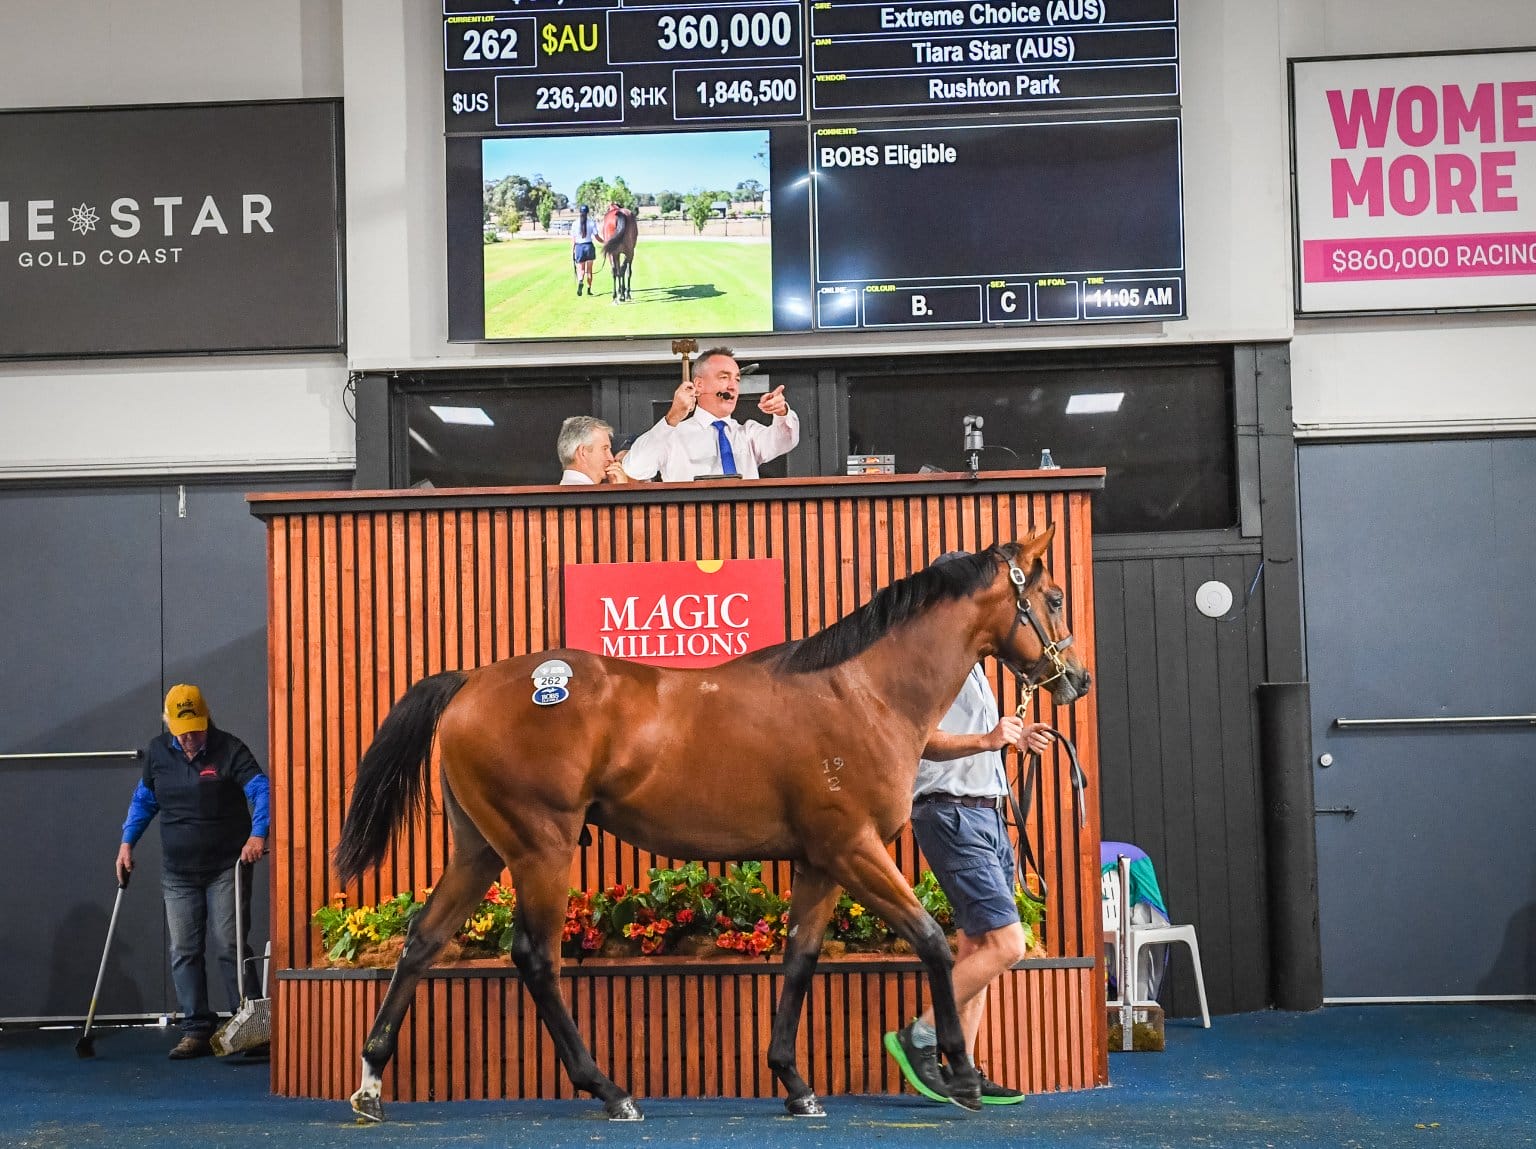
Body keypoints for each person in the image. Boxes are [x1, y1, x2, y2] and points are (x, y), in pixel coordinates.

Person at [883, 580, 1053, 1106]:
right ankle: (921, 1037)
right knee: (1007, 945)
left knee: (979, 948)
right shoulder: (928, 662)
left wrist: (1016, 740)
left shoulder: (973, 664)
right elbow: (916, 739)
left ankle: (963, 1070)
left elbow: (981, 741)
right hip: (951, 815)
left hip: (985, 815)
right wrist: (987, 739)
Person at [117, 684, 270, 1059]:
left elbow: (261, 789)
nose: (189, 739)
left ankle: (249, 1024)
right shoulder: (157, 754)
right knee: (184, 949)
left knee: (230, 943)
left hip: (225, 866)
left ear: (207, 719)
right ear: (168, 725)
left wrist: (257, 834)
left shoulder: (229, 749)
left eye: (196, 729)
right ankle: (197, 1029)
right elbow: (144, 800)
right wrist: (126, 843)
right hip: (178, 871)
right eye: (182, 731)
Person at [620, 347, 798, 482]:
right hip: (691, 526)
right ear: (699, 385)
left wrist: (782, 412)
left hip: (746, 526)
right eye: (724, 377)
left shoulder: (747, 433)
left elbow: (785, 440)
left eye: (736, 379)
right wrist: (672, 418)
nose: (733, 386)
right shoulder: (673, 435)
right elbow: (635, 468)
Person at [556, 415, 630, 486]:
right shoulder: (598, 498)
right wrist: (621, 494)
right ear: (583, 453)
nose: (611, 458)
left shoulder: (554, 497)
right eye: (604, 449)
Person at [571, 205, 599, 297]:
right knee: (589, 270)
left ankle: (580, 281)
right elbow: (596, 236)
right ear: (587, 212)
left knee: (581, 270)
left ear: (580, 212)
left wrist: (573, 250)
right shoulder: (591, 223)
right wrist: (605, 241)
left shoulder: (575, 223)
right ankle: (589, 289)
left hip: (579, 247)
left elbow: (574, 239)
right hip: (589, 246)